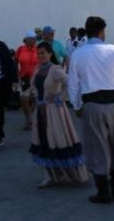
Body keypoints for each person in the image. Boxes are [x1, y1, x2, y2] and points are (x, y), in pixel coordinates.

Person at [68, 16, 114, 204]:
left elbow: (73, 84)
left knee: (97, 146)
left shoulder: (78, 54)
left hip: (92, 104)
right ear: (102, 31)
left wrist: (77, 105)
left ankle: (103, 191)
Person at [30, 42, 88, 188]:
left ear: (50, 54)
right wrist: (37, 98)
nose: (40, 56)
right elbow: (34, 87)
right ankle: (50, 175)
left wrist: (60, 97)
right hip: (41, 111)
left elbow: (70, 83)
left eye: (43, 53)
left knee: (58, 140)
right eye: (38, 53)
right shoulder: (37, 69)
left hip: (55, 112)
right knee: (44, 142)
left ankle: (73, 174)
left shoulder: (55, 69)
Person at [15, 31, 40, 130]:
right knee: (23, 99)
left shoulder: (38, 49)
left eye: (35, 39)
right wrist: (16, 74)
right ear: (26, 40)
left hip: (36, 77)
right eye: (32, 39)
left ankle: (35, 119)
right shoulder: (21, 49)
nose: (34, 41)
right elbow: (15, 61)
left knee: (36, 99)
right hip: (24, 77)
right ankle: (28, 118)